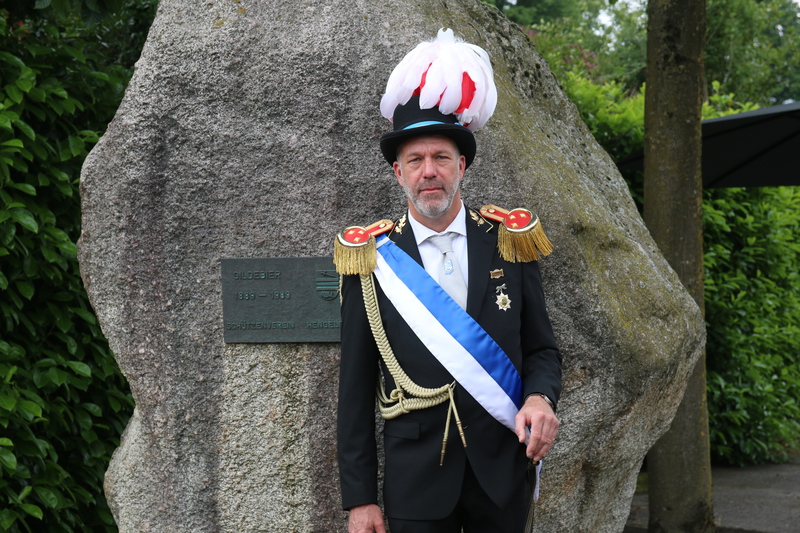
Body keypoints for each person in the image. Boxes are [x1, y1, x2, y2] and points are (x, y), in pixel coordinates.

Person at [334, 29, 562, 533]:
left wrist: (540, 398)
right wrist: (360, 499)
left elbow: (542, 349)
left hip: (502, 475)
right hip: (415, 484)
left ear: (461, 166)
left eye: (440, 158)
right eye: (415, 161)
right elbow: (355, 388)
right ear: (398, 174)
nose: (429, 172)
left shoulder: (509, 242)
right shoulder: (372, 259)